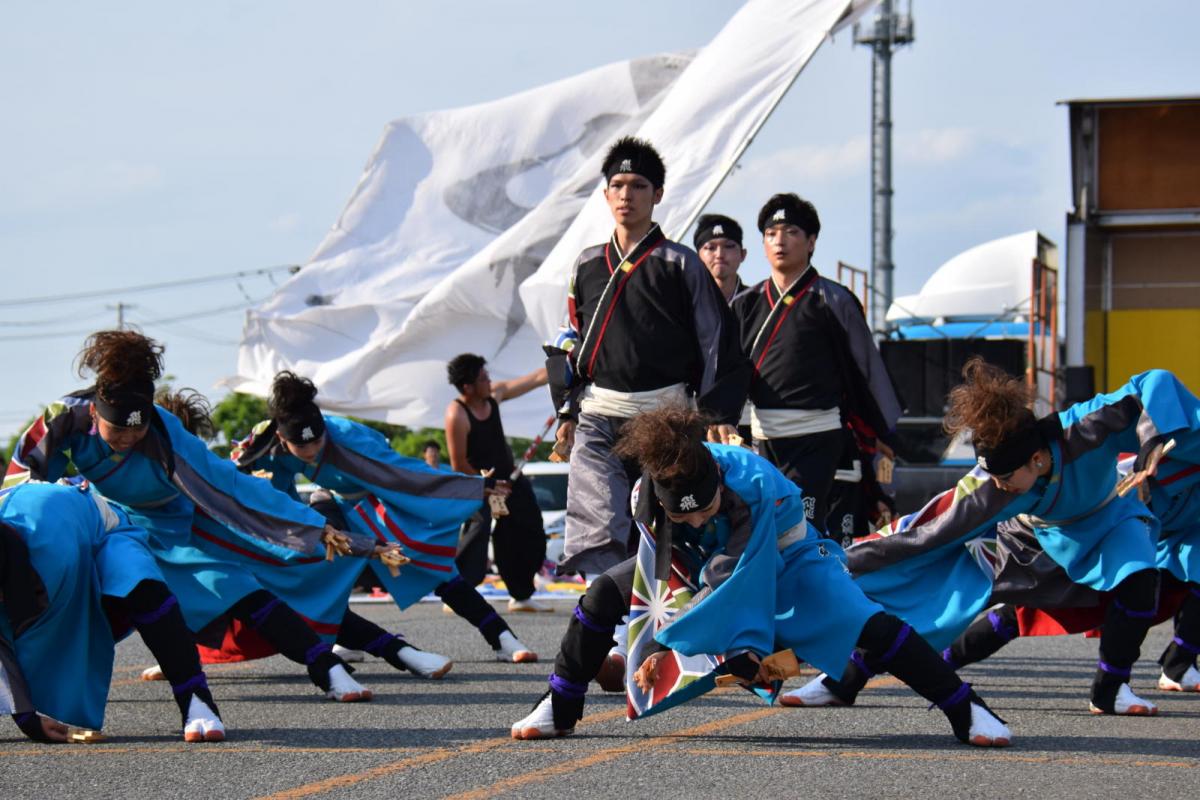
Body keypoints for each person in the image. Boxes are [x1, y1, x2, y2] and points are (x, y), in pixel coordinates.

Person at [510, 406, 1010, 747]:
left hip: (787, 557)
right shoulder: (648, 498)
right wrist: (655, 636)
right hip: (703, 564)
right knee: (601, 595)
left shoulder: (751, 484)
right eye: (682, 516)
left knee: (869, 625)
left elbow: (736, 579)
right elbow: (656, 574)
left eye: (705, 509)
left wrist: (690, 644)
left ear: (717, 484)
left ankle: (965, 708)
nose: (698, 518)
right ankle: (561, 703)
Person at [4, 331, 391, 703]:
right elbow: (29, 491)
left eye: (134, 433)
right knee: (71, 599)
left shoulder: (166, 433)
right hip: (108, 526)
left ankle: (327, 667)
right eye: (117, 430)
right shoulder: (62, 419)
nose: (126, 440)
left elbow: (234, 486)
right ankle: (31, 693)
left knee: (237, 588)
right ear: (95, 412)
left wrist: (314, 527)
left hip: (177, 527)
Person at [788, 360, 1174, 716]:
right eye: (994, 478)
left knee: (1141, 578)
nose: (999, 487)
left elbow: (1149, 386)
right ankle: (841, 680)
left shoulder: (1084, 426)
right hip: (1032, 538)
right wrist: (836, 560)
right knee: (944, 602)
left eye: (1005, 479)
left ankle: (1111, 689)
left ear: (1037, 460)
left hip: (1110, 519)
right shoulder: (992, 491)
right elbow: (920, 533)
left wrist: (1151, 441)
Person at [544, 137, 749, 578]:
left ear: (657, 194)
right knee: (597, 523)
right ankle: (607, 627)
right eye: (617, 184)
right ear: (605, 194)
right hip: (599, 414)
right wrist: (566, 409)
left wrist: (715, 412)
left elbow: (717, 341)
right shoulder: (585, 265)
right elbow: (573, 342)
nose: (626, 194)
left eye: (638, 185)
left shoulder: (682, 263)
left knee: (664, 529)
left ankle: (655, 629)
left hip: (665, 417)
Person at [150, 387, 455, 680]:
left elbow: (268, 505)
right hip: (206, 560)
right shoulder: (129, 471)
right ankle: (179, 658)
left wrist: (352, 541)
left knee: (304, 604)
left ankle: (399, 653)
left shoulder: (211, 470)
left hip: (259, 548)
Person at [233, 371, 538, 663]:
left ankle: (501, 636)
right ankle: (340, 639)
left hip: (381, 500)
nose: (312, 450)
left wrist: (473, 487)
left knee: (431, 566)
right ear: (284, 440)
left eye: (317, 441)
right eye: (302, 445)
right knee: (319, 560)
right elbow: (269, 494)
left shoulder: (350, 439)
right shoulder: (267, 445)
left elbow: (408, 475)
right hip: (332, 502)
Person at [1, 481, 225, 743]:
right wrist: (26, 717)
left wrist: (31, 711)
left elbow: (64, 634)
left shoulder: (54, 556)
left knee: (139, 583)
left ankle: (196, 700)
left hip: (104, 529)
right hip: (38, 549)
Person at [730, 194, 899, 531]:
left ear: (811, 242)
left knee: (801, 526)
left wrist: (884, 434)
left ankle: (806, 583)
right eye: (770, 233)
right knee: (760, 526)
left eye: (791, 231)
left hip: (817, 435)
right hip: (760, 437)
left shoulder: (834, 300)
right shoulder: (744, 304)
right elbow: (727, 371)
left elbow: (866, 370)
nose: (779, 241)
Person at [444, 354, 550, 612]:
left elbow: (535, 378)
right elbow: (459, 465)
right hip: (479, 483)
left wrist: (567, 362)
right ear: (467, 386)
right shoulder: (457, 414)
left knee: (528, 531)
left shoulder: (495, 395)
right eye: (483, 378)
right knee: (476, 538)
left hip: (510, 481)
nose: (489, 381)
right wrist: (488, 487)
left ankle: (521, 595)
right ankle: (459, 595)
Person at [693, 213, 748, 302]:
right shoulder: (685, 304)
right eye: (711, 248)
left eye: (729, 246)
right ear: (697, 258)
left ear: (742, 254)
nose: (719, 255)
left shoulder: (758, 303)